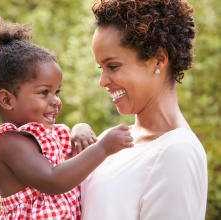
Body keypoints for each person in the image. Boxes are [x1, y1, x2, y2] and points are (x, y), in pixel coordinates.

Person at [0, 17, 133, 220]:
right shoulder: (9, 144)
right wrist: (103, 148)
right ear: (7, 100)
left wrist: (80, 129)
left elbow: (70, 164)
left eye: (57, 92)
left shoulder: (47, 136)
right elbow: (53, 179)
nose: (55, 101)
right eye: (44, 92)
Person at [81, 0, 208, 219]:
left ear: (158, 60)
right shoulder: (113, 141)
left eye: (113, 66)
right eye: (100, 68)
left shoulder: (176, 153)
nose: (102, 81)